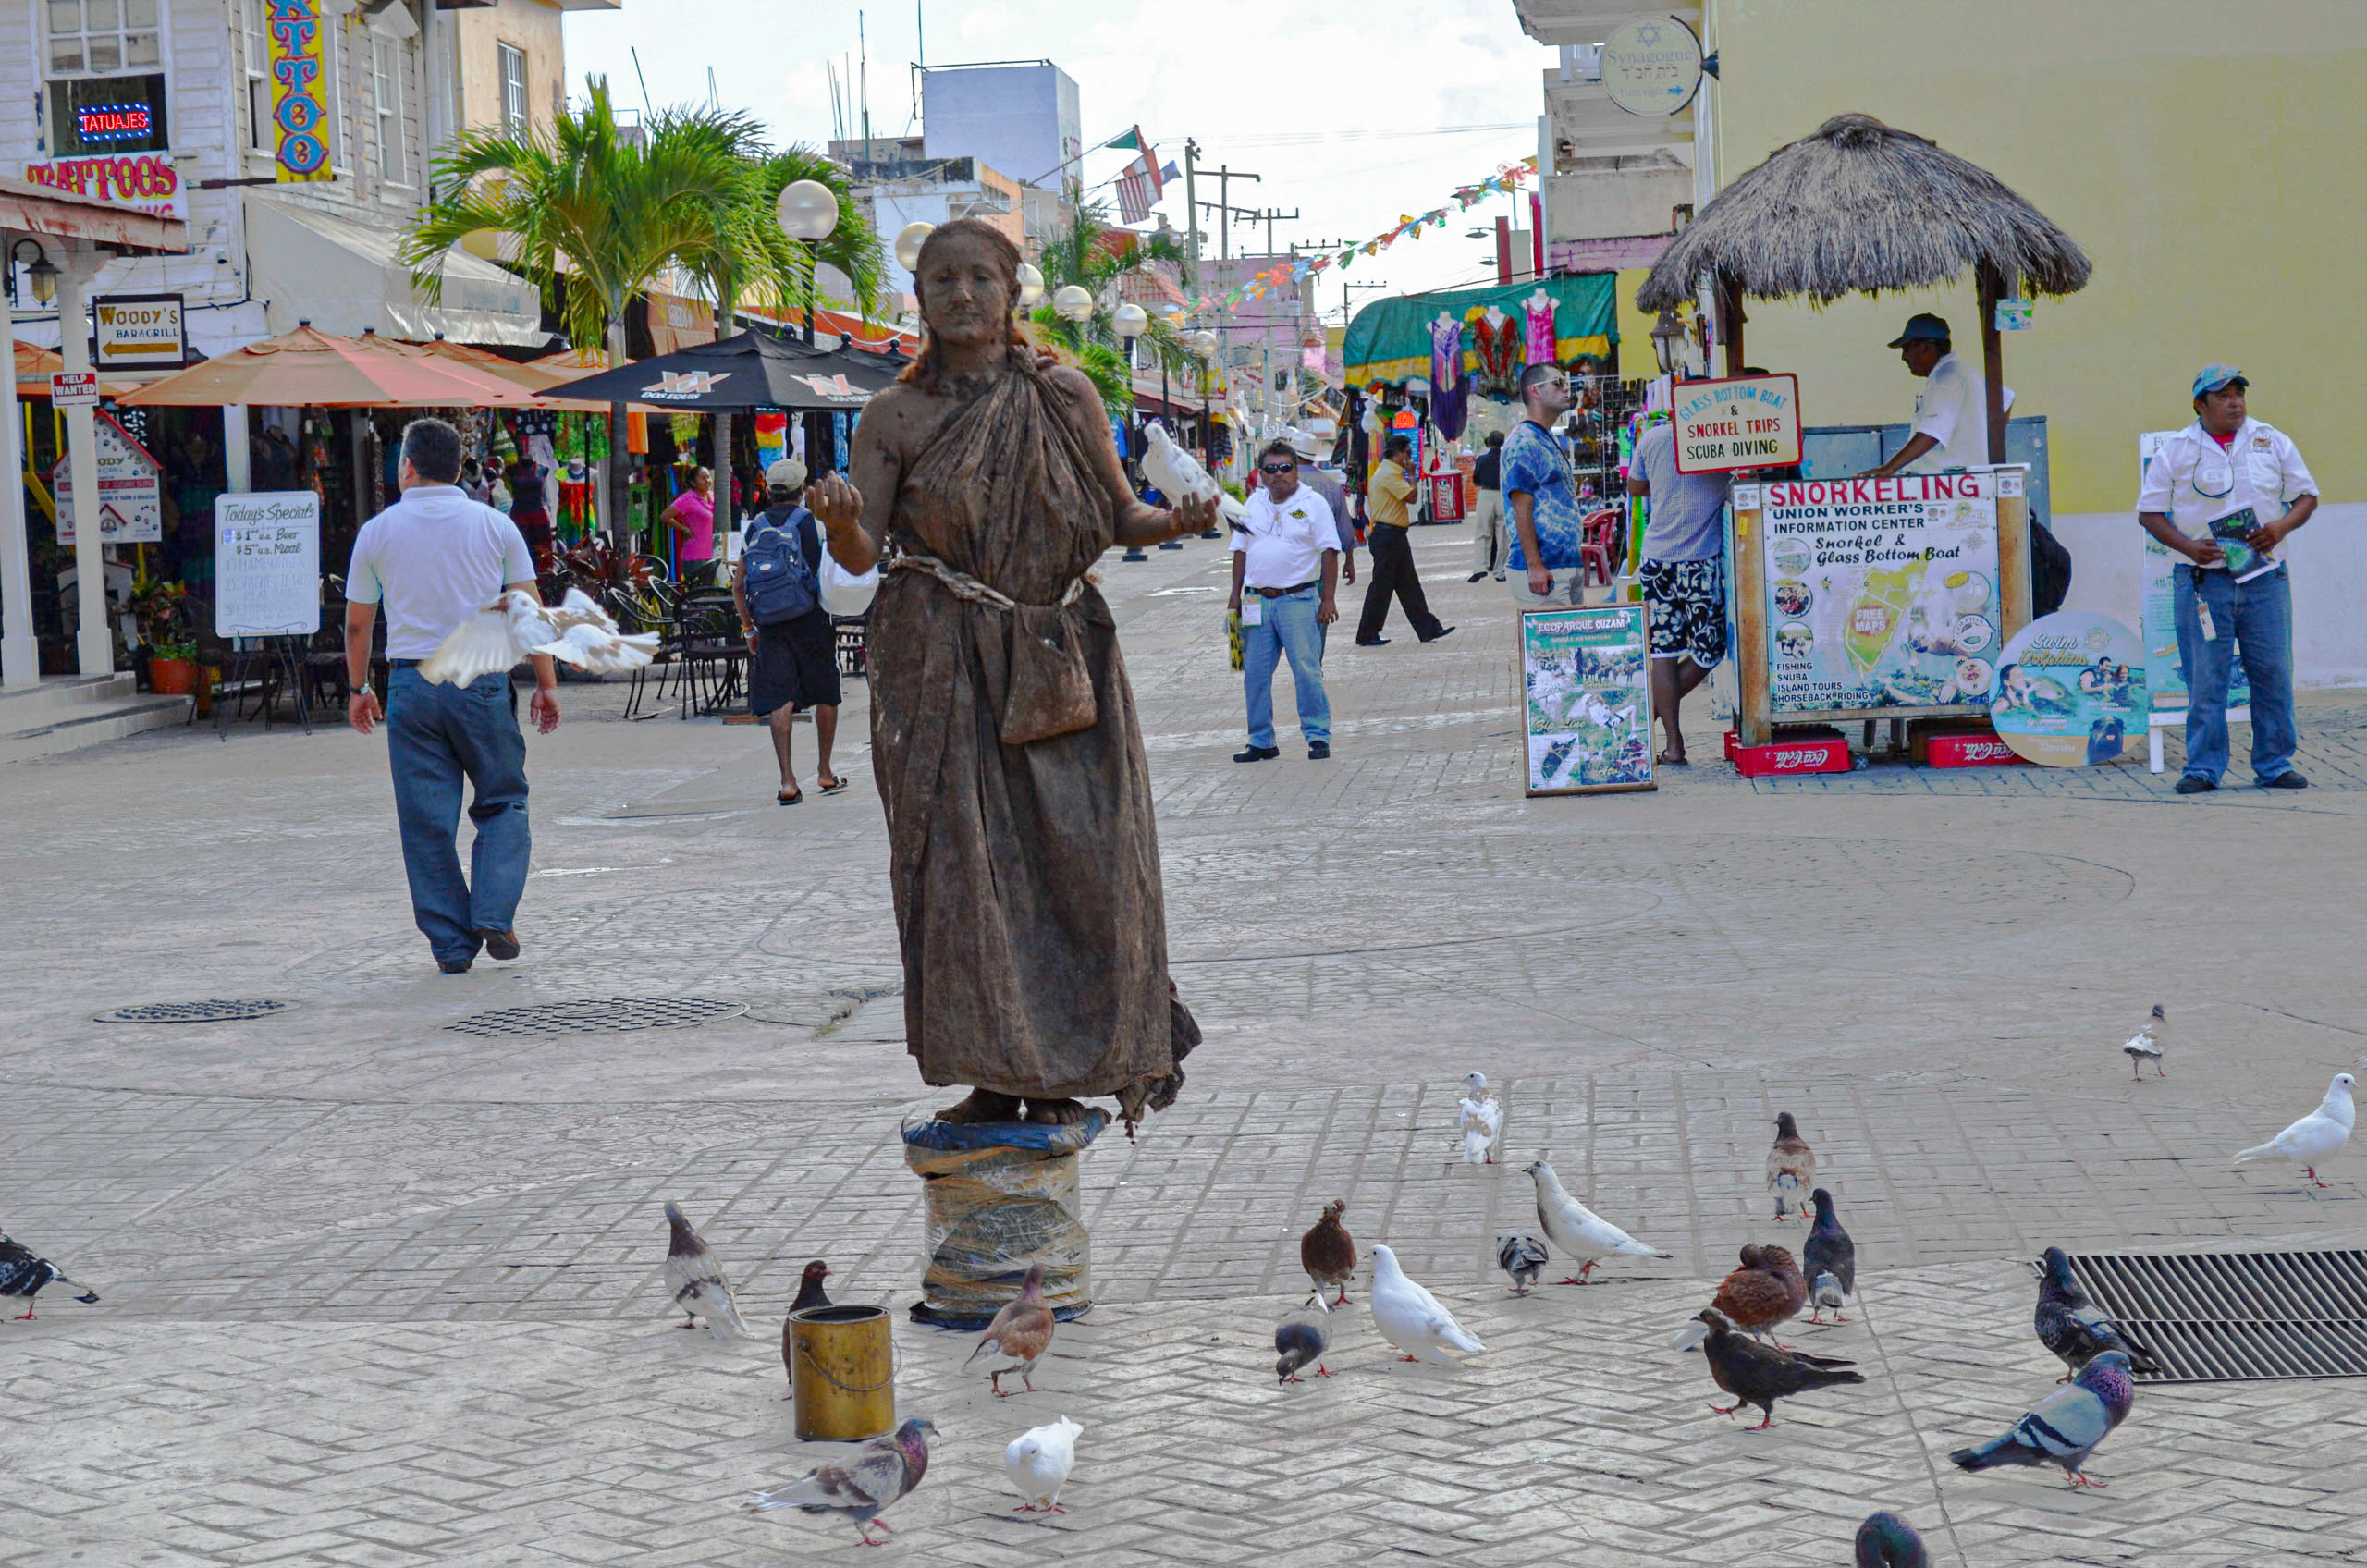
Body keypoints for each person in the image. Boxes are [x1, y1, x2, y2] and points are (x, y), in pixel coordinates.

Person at [800, 217, 1217, 1131]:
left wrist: (1176, 521)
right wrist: (836, 521)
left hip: (1064, 652)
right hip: (940, 663)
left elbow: (1118, 516)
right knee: (961, 871)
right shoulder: (894, 416)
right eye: (941, 280)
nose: (961, 295)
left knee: (1087, 858)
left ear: (1012, 293)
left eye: (979, 278)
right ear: (918, 300)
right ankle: (991, 1066)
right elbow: (865, 548)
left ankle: (1089, 1049)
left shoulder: (1064, 396)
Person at [343, 417, 560, 974]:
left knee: (425, 820)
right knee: (504, 799)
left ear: (408, 466)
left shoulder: (377, 532)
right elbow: (528, 610)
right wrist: (547, 683)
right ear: (460, 469)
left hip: (413, 686)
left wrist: (359, 688)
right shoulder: (495, 525)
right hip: (482, 680)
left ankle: (451, 945)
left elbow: (358, 626)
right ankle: (493, 911)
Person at [2136, 364, 2318, 793]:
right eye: (2223, 396)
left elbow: (2307, 496)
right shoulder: (2178, 449)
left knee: (2272, 672)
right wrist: (2186, 546)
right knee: (2205, 678)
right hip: (2204, 581)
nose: (2235, 402)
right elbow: (2149, 512)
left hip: (2265, 579)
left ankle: (2274, 764)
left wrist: (2280, 528)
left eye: (2239, 394)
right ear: (2200, 405)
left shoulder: (2271, 440)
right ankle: (2202, 768)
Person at [1628, 395, 1733, 766]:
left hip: (1656, 561)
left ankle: (1669, 741)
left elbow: (1635, 487)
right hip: (1700, 562)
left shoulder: (1653, 439)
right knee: (1709, 650)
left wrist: (1667, 486)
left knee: (1663, 654)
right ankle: (1652, 723)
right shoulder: (1724, 442)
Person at [733, 459, 844, 805]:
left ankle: (787, 781)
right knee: (826, 692)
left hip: (769, 623)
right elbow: (832, 576)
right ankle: (825, 772)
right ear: (802, 491)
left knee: (780, 697)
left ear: (768, 491)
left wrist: (749, 629)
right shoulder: (816, 525)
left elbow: (738, 585)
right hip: (812, 618)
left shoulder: (754, 528)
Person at [1230, 438, 1341, 764]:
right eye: (1271, 469)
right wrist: (1234, 597)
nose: (1279, 475)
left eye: (1285, 468)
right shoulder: (1251, 504)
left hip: (1299, 600)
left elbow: (1329, 552)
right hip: (1256, 602)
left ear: (1296, 470)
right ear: (1261, 474)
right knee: (1255, 674)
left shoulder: (1314, 503)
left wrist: (1328, 599)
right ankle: (1261, 740)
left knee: (1307, 670)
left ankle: (1317, 735)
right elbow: (1239, 552)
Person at [1860, 313, 2014, 477]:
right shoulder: (1963, 371)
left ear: (1926, 347)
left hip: (1948, 482)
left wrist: (1889, 468)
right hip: (1966, 478)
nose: (1904, 357)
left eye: (1907, 349)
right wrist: (1982, 440)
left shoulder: (1945, 380)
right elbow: (2007, 399)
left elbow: (1931, 433)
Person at [1502, 363, 1588, 607]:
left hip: (1566, 565)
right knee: (1555, 646)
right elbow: (1521, 507)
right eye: (1558, 383)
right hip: (1545, 571)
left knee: (1573, 644)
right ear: (1535, 392)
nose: (1566, 389)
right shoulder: (1523, 442)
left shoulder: (1546, 438)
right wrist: (1535, 565)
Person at [1355, 435, 1451, 646]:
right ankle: (1366, 633)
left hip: (1394, 536)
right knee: (1382, 587)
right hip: (1387, 537)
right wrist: (1411, 475)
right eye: (1407, 452)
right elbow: (1412, 497)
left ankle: (1428, 629)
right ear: (1397, 453)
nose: (1409, 457)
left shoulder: (1391, 471)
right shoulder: (1389, 474)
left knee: (1409, 585)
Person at [1288, 434, 1356, 587]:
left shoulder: (1279, 483)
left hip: (1287, 560)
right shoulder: (1331, 485)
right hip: (1323, 560)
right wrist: (1349, 561)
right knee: (1320, 605)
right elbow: (1344, 528)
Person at [662, 466, 718, 583]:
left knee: (708, 595)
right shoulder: (687, 499)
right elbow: (664, 516)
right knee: (696, 596)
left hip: (711, 554)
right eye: (703, 478)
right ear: (693, 482)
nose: (707, 480)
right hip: (694, 556)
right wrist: (684, 529)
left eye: (708, 477)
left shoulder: (712, 496)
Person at [1466, 430, 1505, 582]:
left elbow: (1476, 479)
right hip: (1503, 495)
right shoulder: (1506, 459)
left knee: (1482, 532)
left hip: (1486, 494)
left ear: (1489, 442)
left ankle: (1480, 567)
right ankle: (1499, 571)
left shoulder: (1482, 459)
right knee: (1502, 534)